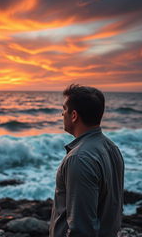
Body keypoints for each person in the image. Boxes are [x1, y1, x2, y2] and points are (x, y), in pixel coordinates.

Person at [49, 84, 124, 237]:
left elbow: (81, 228)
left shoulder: (79, 158)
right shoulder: (112, 148)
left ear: (74, 115)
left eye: (64, 109)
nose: (62, 114)